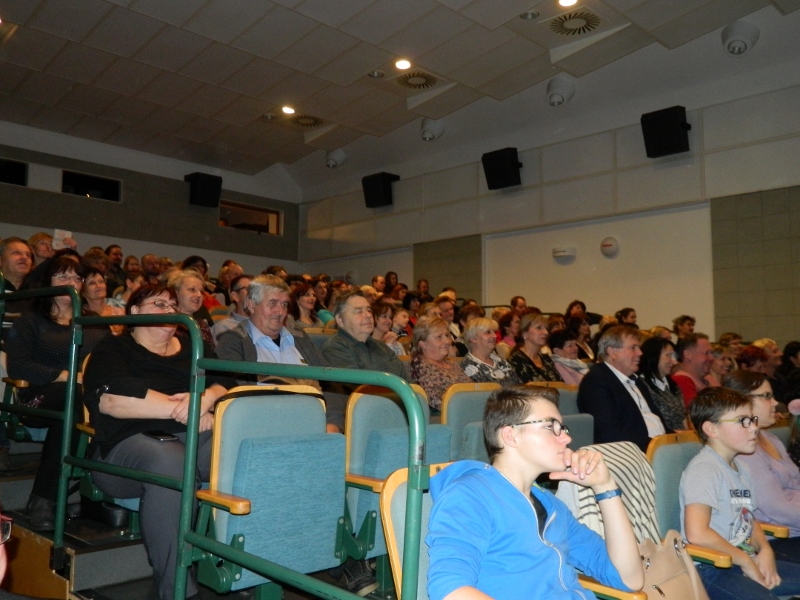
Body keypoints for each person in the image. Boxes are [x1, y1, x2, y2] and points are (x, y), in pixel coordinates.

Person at [83, 284, 234, 600]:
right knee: (172, 461)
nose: (169, 311)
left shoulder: (193, 345)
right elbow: (113, 400)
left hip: (192, 436)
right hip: (125, 447)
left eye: (172, 305)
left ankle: (238, 565)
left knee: (245, 449)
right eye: (158, 304)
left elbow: (226, 380)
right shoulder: (113, 348)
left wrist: (207, 398)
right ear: (134, 311)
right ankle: (177, 590)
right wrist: (191, 409)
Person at [426, 385, 644, 600]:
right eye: (550, 426)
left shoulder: (552, 506)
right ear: (511, 435)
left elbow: (629, 578)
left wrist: (605, 487)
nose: (566, 438)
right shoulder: (470, 497)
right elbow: (450, 590)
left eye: (563, 428)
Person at [6, 256, 108, 530]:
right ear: (49, 282)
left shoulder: (94, 322)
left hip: (84, 398)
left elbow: (110, 360)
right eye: (62, 276)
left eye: (76, 278)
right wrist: (67, 376)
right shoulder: (31, 321)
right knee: (73, 397)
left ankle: (55, 497)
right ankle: (48, 497)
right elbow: (18, 365)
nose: (70, 282)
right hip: (38, 397)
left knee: (81, 407)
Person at [680, 387, 800, 600]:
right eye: (742, 421)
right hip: (712, 567)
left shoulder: (741, 468)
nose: (753, 427)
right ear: (711, 429)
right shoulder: (705, 469)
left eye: (752, 419)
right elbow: (697, 534)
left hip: (741, 559)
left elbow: (748, 518)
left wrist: (765, 551)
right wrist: (746, 561)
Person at [216, 275, 346, 433]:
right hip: (269, 428)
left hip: (319, 424)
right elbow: (238, 397)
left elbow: (332, 382)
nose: (280, 311)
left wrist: (332, 424)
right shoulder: (233, 341)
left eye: (284, 304)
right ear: (251, 304)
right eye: (272, 303)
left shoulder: (300, 338)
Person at [721, 371, 800, 563]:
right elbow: (777, 509)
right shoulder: (744, 450)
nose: (775, 402)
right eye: (766, 396)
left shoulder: (770, 438)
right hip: (776, 540)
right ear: (742, 401)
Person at [577, 325, 667, 452]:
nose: (640, 353)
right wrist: (656, 447)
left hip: (658, 448)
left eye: (639, 347)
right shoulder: (596, 381)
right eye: (633, 348)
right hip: (633, 453)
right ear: (612, 352)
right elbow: (609, 433)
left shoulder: (637, 382)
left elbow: (656, 420)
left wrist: (675, 440)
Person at [321, 290, 409, 381]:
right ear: (340, 320)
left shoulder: (382, 347)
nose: (368, 315)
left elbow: (407, 380)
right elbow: (358, 385)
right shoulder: (334, 348)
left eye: (369, 310)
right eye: (359, 311)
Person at [410, 316, 470, 412]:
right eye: (439, 337)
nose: (447, 341)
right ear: (423, 344)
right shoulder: (419, 366)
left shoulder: (453, 365)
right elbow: (435, 402)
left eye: (447, 335)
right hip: (448, 416)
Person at [638, 336, 687, 431]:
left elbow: (683, 418)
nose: (674, 362)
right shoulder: (641, 386)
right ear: (654, 356)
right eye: (668, 355)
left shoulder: (673, 385)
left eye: (674, 356)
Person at [460, 317, 520, 386]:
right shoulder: (469, 366)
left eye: (494, 332)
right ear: (473, 338)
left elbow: (519, 385)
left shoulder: (499, 360)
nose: (495, 336)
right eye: (488, 332)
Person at [508, 313, 563, 383]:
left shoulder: (546, 359)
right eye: (539, 328)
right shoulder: (516, 360)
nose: (546, 332)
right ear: (525, 333)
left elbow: (560, 383)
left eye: (546, 328)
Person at [168, 269, 215, 349]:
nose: (199, 295)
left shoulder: (201, 324)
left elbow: (211, 353)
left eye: (201, 291)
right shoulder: (168, 324)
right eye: (192, 290)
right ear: (176, 292)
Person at [671, 333, 717, 406]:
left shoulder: (708, 380)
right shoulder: (681, 380)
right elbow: (695, 411)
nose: (712, 358)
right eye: (706, 353)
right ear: (688, 354)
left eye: (712, 353)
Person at [211, 274, 252, 342]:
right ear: (235, 296)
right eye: (249, 289)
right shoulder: (224, 328)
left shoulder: (266, 325)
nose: (254, 293)